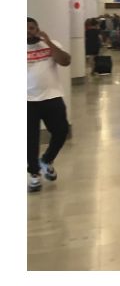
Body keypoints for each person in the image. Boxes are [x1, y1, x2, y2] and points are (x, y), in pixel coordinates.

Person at [27, 17, 72, 193]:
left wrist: (48, 42)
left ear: (38, 29)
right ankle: (34, 173)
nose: (28, 31)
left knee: (61, 131)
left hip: (52, 97)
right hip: (27, 100)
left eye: (32, 28)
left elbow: (65, 61)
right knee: (30, 139)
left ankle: (46, 160)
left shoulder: (50, 44)